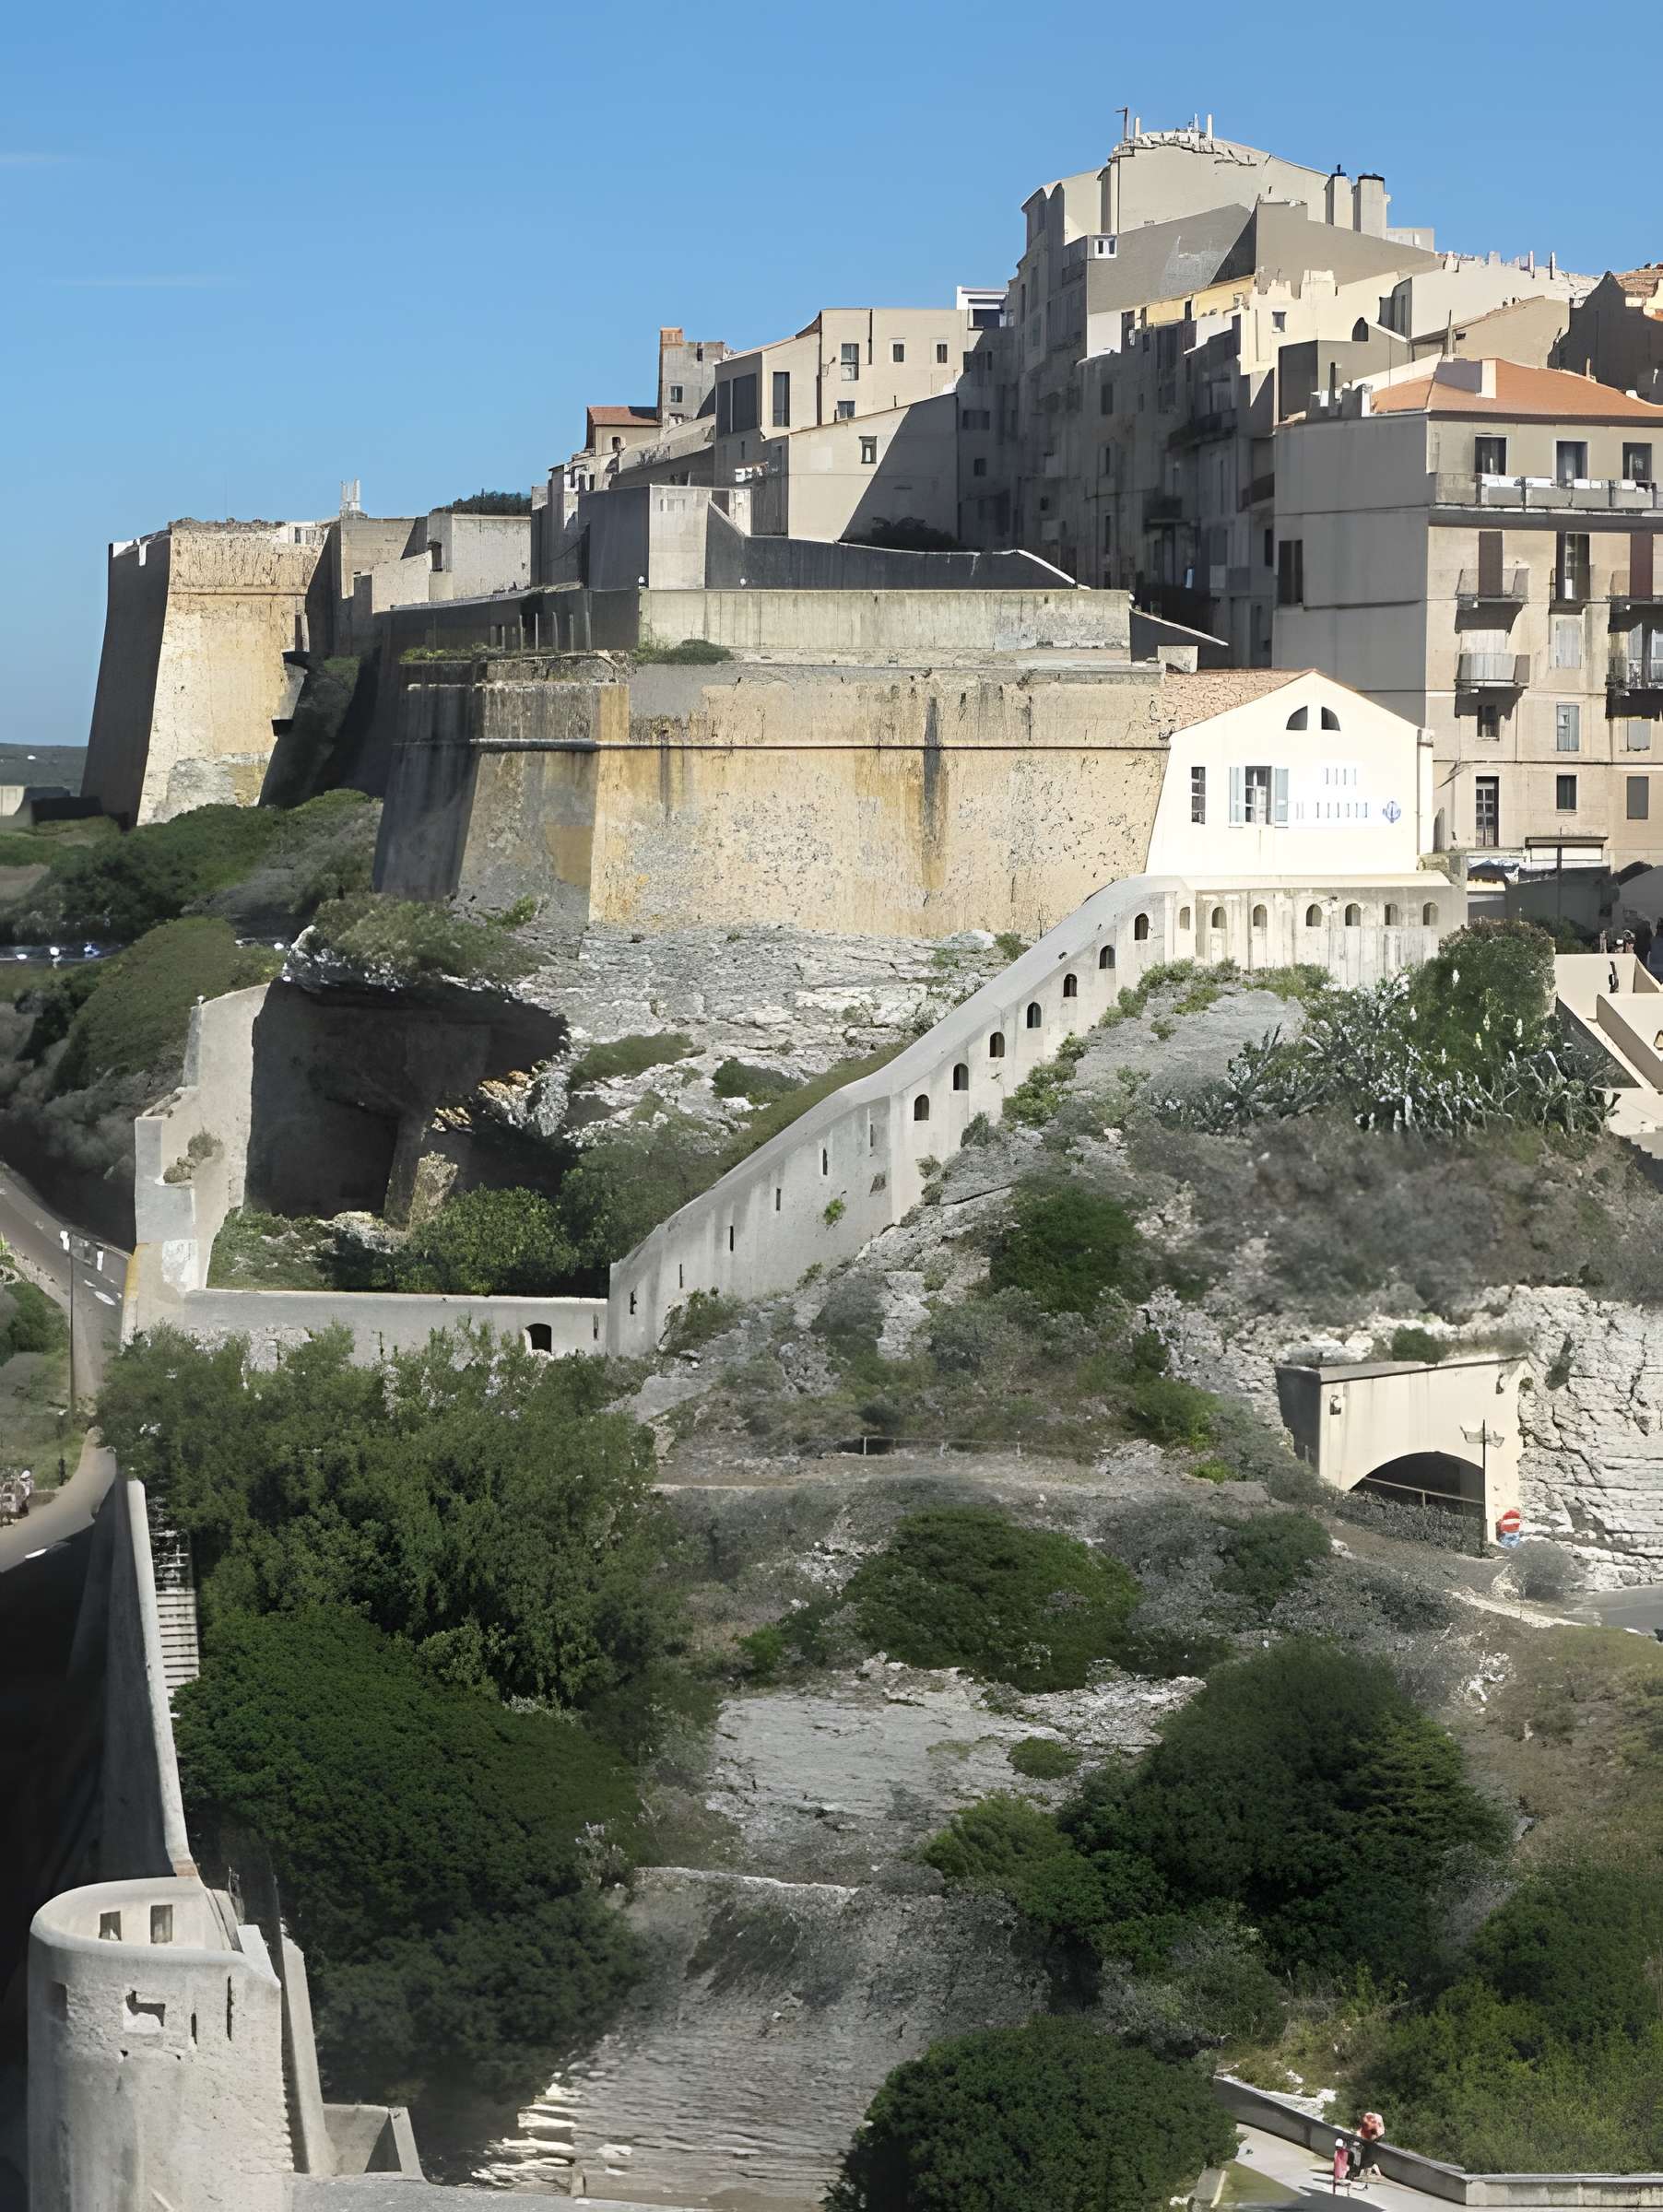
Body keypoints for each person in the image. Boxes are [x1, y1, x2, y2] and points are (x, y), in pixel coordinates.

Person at [1355, 2112, 1385, 2188]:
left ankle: (1367, 2173)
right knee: (1368, 2156)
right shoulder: (1374, 2119)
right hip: (1374, 2136)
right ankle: (1369, 2173)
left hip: (1373, 2136)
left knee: (1367, 2156)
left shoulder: (1371, 2120)